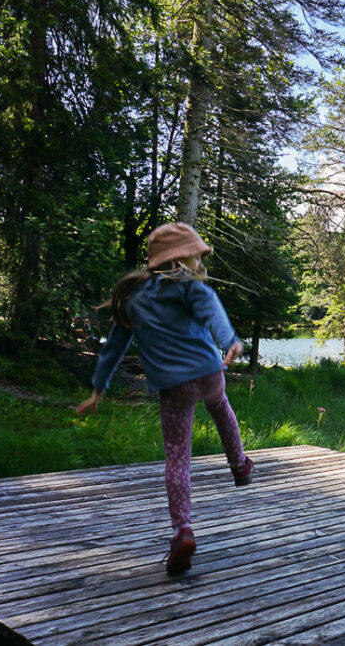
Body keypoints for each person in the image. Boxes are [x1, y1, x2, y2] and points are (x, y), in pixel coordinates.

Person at [76, 222, 254, 574]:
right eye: (195, 254)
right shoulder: (187, 286)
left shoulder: (134, 299)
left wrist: (99, 387)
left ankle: (182, 530)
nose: (199, 260)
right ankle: (239, 464)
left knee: (177, 458)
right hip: (207, 372)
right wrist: (229, 340)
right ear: (182, 257)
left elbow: (113, 347)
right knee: (220, 406)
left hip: (173, 386)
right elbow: (212, 308)